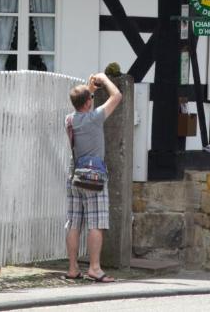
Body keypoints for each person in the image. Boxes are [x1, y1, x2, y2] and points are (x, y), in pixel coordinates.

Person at [64, 71, 122, 283]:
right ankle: (95, 268)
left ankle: (72, 268)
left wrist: (88, 89)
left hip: (75, 175)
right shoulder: (95, 118)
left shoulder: (69, 120)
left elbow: (79, 104)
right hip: (94, 177)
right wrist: (104, 79)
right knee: (95, 223)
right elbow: (117, 97)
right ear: (89, 102)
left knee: (73, 222)